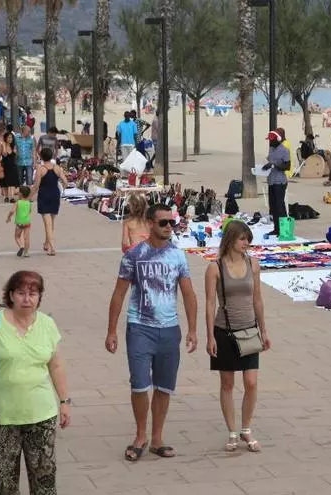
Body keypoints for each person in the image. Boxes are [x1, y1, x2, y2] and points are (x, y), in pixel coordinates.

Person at [105, 204, 198, 462]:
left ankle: (157, 438)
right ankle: (140, 436)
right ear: (150, 224)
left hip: (169, 329)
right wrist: (111, 330)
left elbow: (188, 294)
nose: (169, 227)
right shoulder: (134, 255)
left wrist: (193, 329)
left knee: (164, 386)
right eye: (163, 222)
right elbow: (119, 293)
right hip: (140, 327)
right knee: (139, 384)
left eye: (172, 223)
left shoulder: (178, 256)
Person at [0, 271, 71, 495]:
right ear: (11, 295)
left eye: (33, 294)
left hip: (41, 415)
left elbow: (56, 366)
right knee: (2, 485)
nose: (27, 299)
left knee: (44, 481)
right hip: (0, 417)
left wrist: (64, 401)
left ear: (39, 297)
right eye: (21, 293)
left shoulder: (47, 324)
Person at [204, 221, 270, 453]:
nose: (246, 243)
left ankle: (246, 428)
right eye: (242, 239)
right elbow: (210, 303)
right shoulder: (215, 268)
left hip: (249, 330)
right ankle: (232, 432)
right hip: (225, 331)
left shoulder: (253, 264)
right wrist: (210, 336)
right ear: (230, 239)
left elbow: (257, 298)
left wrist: (264, 330)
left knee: (251, 383)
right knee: (227, 384)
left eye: (248, 239)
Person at [32, 148, 68, 256]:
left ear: (41, 157)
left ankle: (52, 248)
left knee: (47, 223)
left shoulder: (41, 169)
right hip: (55, 195)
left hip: (44, 196)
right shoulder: (57, 168)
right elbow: (65, 181)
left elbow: (36, 186)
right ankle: (47, 243)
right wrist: (63, 190)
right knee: (51, 222)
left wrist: (28, 197)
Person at [263, 130, 291, 236]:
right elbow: (271, 161)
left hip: (280, 181)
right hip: (271, 180)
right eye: (269, 140)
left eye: (272, 140)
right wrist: (267, 166)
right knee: (273, 206)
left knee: (280, 206)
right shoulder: (271, 149)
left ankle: (285, 231)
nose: (270, 142)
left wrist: (274, 165)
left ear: (278, 140)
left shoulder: (284, 150)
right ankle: (276, 229)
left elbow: (287, 166)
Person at [7, 186, 33, 257]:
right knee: (26, 238)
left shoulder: (18, 202)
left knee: (17, 236)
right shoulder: (29, 203)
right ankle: (26, 253)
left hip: (19, 223)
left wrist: (9, 217)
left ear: (21, 194)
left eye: (19, 192)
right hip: (27, 222)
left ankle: (21, 246)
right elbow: (29, 211)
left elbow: (12, 211)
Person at [0, 131, 21, 202]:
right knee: (4, 182)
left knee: (12, 182)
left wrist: (15, 151)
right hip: (4, 166)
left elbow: (17, 156)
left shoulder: (14, 146)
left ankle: (12, 197)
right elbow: (1, 155)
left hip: (13, 166)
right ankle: (6, 196)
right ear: (5, 138)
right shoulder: (2, 146)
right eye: (8, 137)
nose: (10, 139)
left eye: (11, 137)